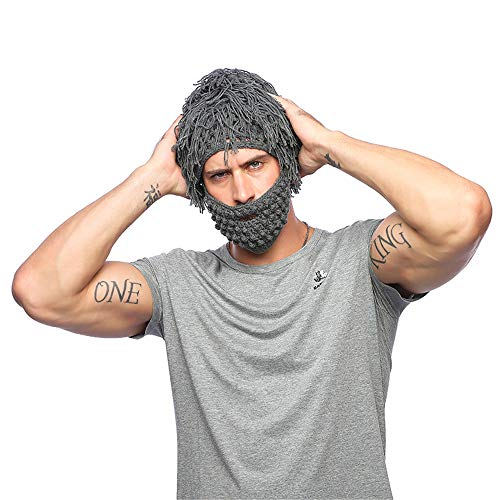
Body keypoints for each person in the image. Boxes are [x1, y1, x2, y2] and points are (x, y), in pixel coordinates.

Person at [11, 68, 492, 499]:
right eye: (219, 174)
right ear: (199, 186)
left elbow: (462, 214)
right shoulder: (179, 285)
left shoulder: (358, 262)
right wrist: (150, 177)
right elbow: (41, 291)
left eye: (255, 164)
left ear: (286, 159)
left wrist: (328, 143)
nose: (242, 192)